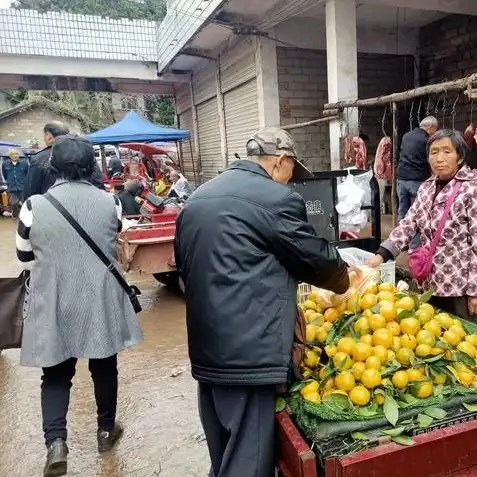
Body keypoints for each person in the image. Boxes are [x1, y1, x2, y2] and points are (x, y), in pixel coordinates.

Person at [174, 127, 350, 477]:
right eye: (291, 173)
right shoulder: (276, 199)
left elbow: (185, 266)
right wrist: (344, 279)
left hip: (207, 347)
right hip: (249, 354)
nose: (289, 183)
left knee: (223, 452)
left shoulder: (199, 196)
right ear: (282, 161)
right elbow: (316, 260)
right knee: (249, 462)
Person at [16, 135, 143, 477]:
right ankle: (105, 431)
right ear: (91, 167)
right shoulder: (111, 202)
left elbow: (24, 257)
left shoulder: (32, 206)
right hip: (99, 298)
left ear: (52, 166)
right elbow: (112, 236)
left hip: (55, 299)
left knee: (55, 375)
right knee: (104, 366)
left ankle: (56, 443)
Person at [367, 129, 477, 320]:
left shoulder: (471, 188)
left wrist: (475, 291)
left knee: (464, 341)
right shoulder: (427, 187)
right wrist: (381, 255)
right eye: (434, 152)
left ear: (460, 157)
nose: (439, 158)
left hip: (460, 287)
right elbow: (409, 224)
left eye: (446, 151)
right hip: (430, 283)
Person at [23, 122, 105, 200]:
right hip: (88, 208)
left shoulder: (39, 159)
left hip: (50, 210)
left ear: (49, 136)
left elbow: (30, 193)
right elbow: (99, 185)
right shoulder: (84, 153)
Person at [397, 116, 439, 220]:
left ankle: (400, 232)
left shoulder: (406, 136)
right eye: (435, 129)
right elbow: (431, 160)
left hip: (401, 179)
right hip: (416, 180)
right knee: (416, 212)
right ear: (430, 127)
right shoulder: (428, 140)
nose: (435, 132)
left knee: (402, 210)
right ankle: (414, 235)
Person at [1, 149, 28, 218]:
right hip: (12, 187)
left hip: (23, 186)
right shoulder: (5, 164)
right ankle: (15, 214)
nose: (15, 155)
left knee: (25, 202)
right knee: (14, 203)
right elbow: (5, 174)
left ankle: (25, 216)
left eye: (16, 154)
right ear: (10, 156)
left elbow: (27, 174)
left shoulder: (24, 163)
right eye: (13, 154)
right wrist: (9, 181)